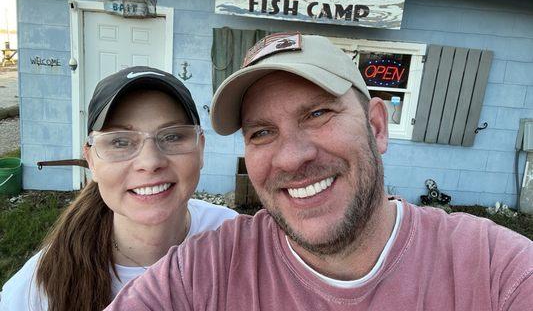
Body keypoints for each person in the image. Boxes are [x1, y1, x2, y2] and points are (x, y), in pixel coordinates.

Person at [106, 34, 533, 310]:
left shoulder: (493, 270)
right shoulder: (206, 271)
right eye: (262, 132)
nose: (290, 158)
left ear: (377, 127)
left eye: (317, 113)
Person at [0, 66, 237, 311]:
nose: (150, 162)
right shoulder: (36, 291)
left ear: (201, 149)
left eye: (173, 136)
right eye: (120, 142)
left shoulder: (234, 239)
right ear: (91, 160)